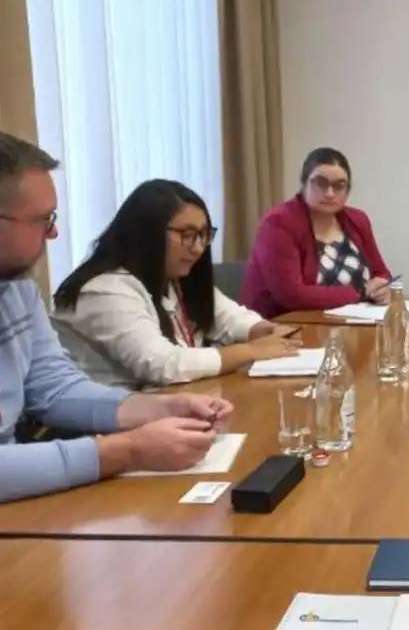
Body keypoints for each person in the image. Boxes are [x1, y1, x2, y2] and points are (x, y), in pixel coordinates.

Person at [0, 132, 235, 503]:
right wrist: (126, 450)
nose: (55, 232)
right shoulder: (103, 285)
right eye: (43, 220)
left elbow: (55, 389)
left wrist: (158, 408)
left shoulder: (16, 288)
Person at [51, 179, 300, 388]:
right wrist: (252, 351)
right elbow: (163, 365)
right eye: (187, 235)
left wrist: (262, 330)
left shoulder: (172, 277)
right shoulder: (103, 290)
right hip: (106, 427)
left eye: (204, 235)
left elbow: (228, 316)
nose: (198, 247)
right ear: (146, 233)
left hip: (167, 407)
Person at [241, 147, 392, 318]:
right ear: (304, 183)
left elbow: (381, 272)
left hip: (353, 324)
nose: (329, 193)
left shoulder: (357, 220)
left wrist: (382, 288)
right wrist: (360, 292)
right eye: (320, 183)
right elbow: (292, 295)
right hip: (282, 328)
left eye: (339, 186)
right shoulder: (278, 223)